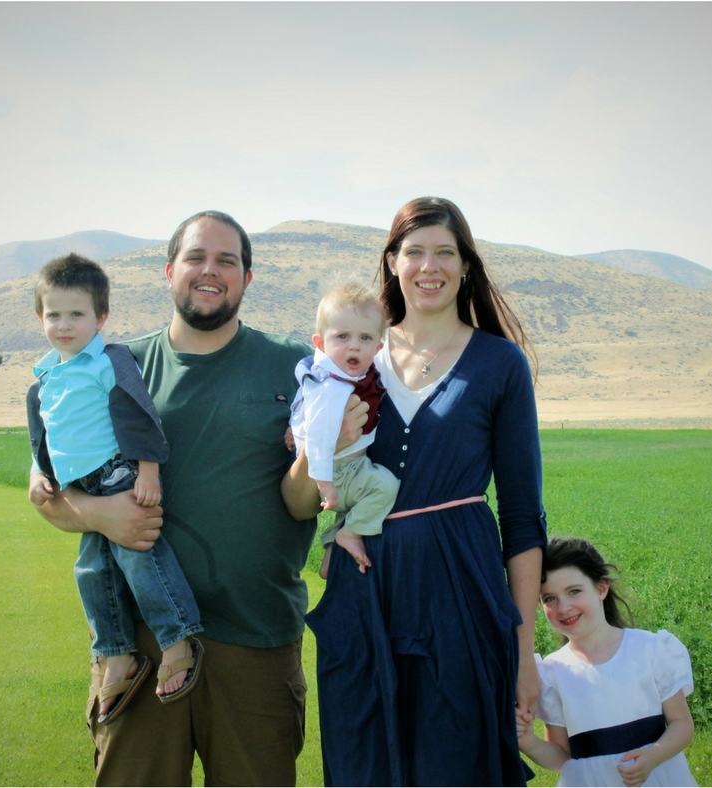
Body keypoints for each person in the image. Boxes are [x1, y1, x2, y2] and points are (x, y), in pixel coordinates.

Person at [29, 211, 364, 786]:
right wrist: (101, 515)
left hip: (256, 638)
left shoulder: (295, 369)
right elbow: (47, 490)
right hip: (141, 647)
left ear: (247, 278)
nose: (210, 271)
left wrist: (321, 450)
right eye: (196, 258)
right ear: (169, 271)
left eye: (227, 261)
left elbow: (301, 504)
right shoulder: (112, 367)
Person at [304, 196, 548, 786]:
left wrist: (524, 652)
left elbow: (520, 515)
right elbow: (307, 477)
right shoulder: (349, 360)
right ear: (391, 262)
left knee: (455, 758)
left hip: (461, 586)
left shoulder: (499, 364)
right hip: (366, 587)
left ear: (467, 265)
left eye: (445, 252)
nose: (428, 266)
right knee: (366, 758)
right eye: (414, 252)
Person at [27, 253, 203, 724]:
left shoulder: (109, 361)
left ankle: (176, 636)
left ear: (101, 317)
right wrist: (38, 471)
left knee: (139, 556)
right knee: (90, 571)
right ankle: (116, 652)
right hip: (78, 485)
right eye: (54, 315)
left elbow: (139, 415)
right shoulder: (44, 376)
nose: (65, 325)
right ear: (40, 318)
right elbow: (44, 430)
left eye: (77, 314)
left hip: (116, 473)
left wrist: (148, 470)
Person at [516, 537, 697, 787]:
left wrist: (654, 755)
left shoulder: (649, 649)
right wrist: (528, 742)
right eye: (549, 598)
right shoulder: (552, 673)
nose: (563, 607)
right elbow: (561, 758)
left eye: (574, 591)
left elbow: (682, 724)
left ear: (601, 588)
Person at [289, 283, 400, 576]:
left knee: (367, 491)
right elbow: (318, 437)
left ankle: (333, 549)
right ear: (320, 343)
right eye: (342, 337)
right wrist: (324, 484)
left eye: (365, 338)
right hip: (336, 469)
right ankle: (348, 534)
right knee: (384, 487)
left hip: (348, 464)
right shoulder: (331, 386)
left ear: (378, 347)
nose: (354, 346)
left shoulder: (352, 375)